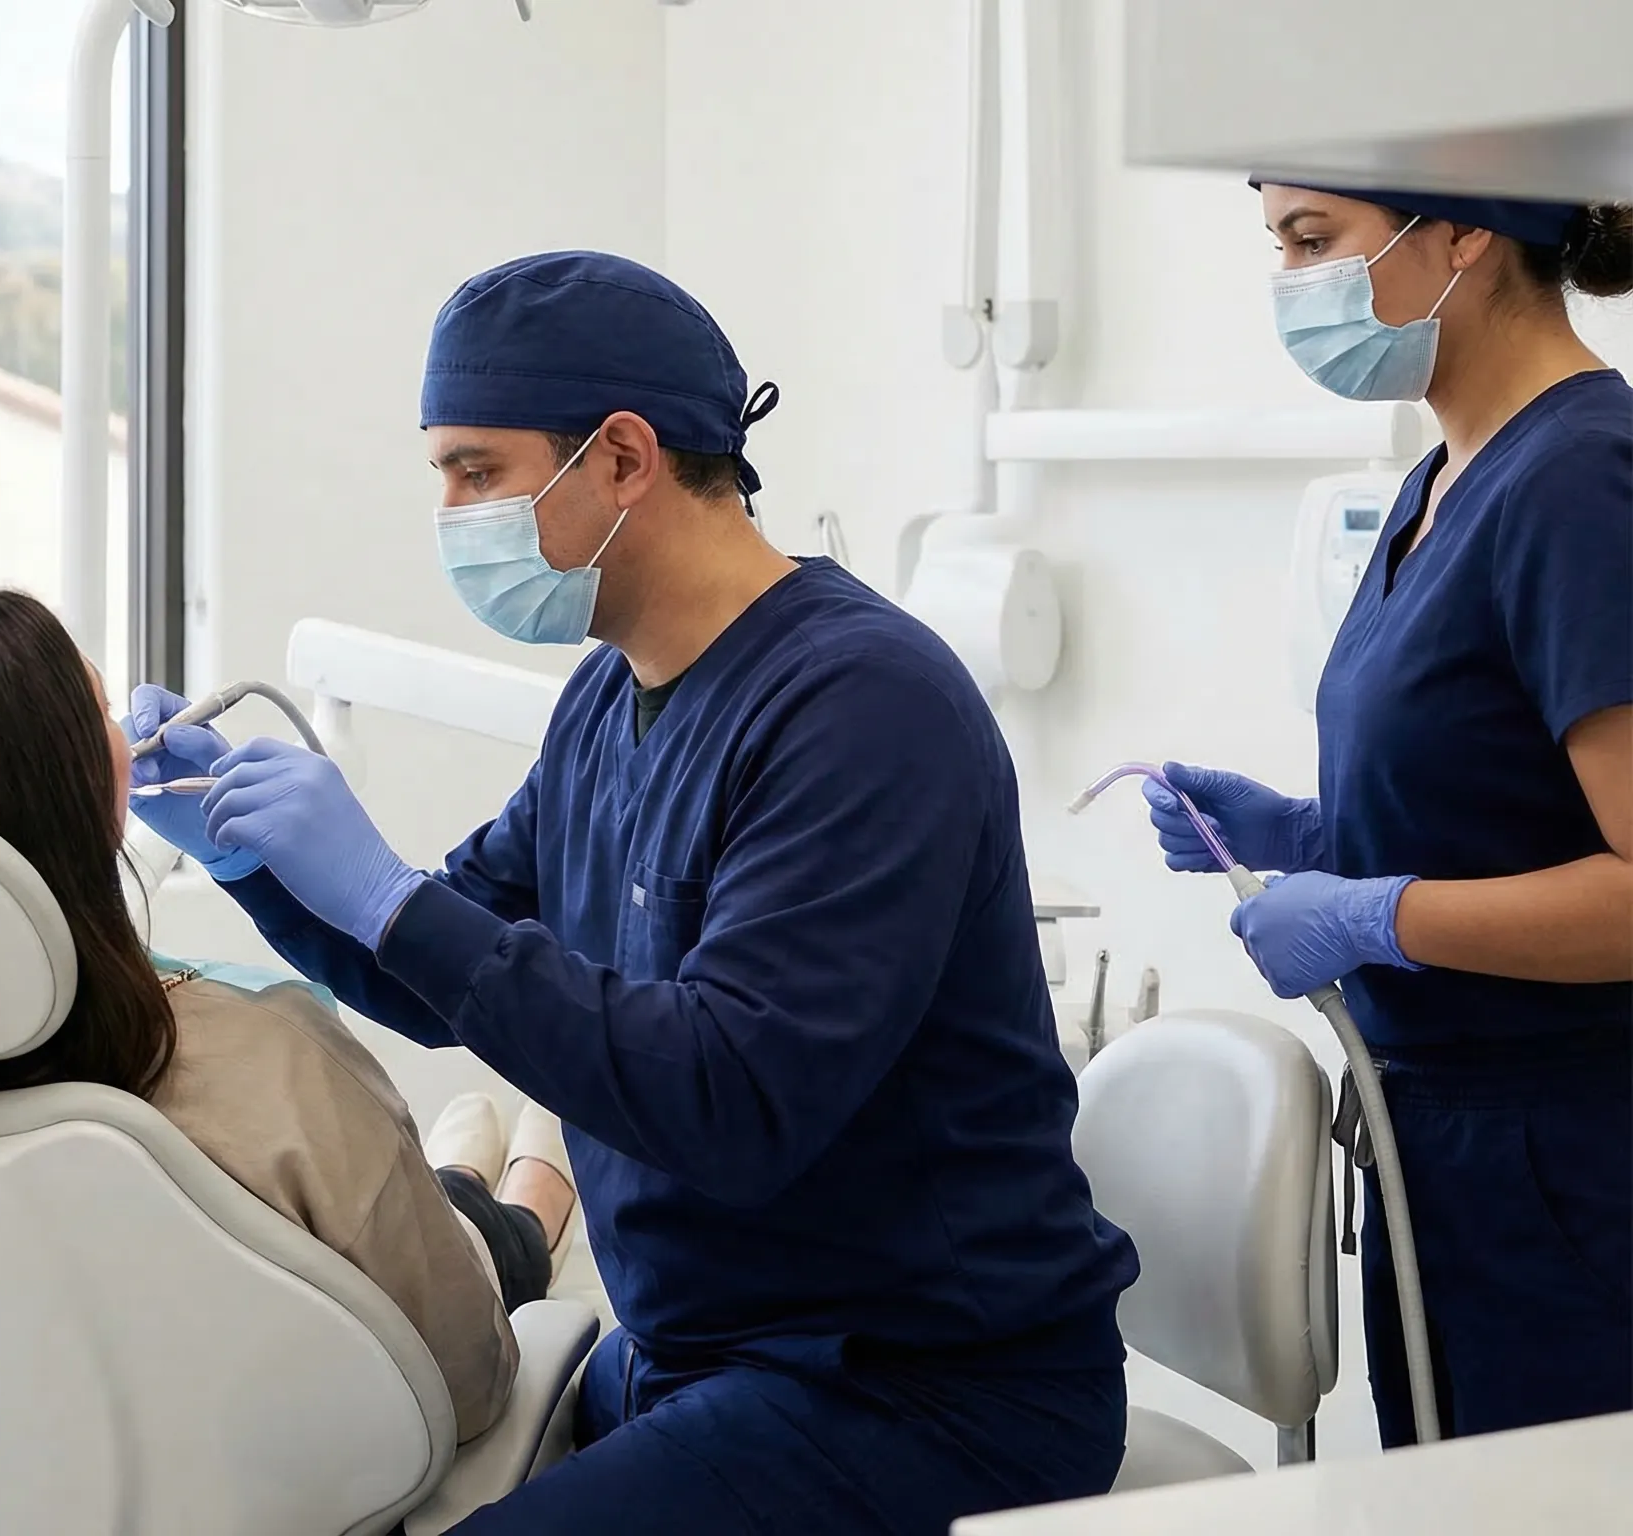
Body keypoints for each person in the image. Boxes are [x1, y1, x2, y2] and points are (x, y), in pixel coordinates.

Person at [127, 251, 1137, 1533]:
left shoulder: (861, 708)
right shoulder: (610, 697)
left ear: (619, 458)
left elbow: (733, 1101)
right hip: (696, 1351)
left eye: (476, 473)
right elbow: (442, 977)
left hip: (919, 1390)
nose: (449, 514)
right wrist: (250, 860)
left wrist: (385, 893)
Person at [0, 583, 582, 1445]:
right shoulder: (271, 1065)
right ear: (87, 799)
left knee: (422, 1187)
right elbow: (465, 1379)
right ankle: (528, 1200)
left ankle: (474, 1174)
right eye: (100, 714)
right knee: (476, 1225)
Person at [1141, 184, 1633, 1445]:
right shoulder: (1439, 480)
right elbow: (1500, 803)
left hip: (1568, 1164)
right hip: (1445, 1156)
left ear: (1462, 228)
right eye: (1277, 246)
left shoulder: (1577, 480)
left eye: (1313, 241)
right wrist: (1302, 836)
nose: (1289, 283)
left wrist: (1376, 916)